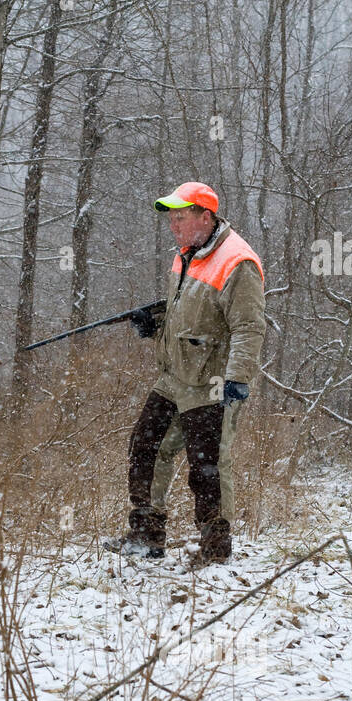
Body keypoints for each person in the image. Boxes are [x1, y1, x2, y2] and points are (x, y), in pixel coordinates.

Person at [102, 182, 266, 568]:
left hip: (211, 382)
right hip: (173, 376)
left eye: (181, 218)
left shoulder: (238, 262)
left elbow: (248, 327)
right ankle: (146, 535)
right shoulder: (185, 255)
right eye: (171, 219)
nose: (173, 226)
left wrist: (237, 377)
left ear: (205, 217)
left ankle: (214, 549)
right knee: (145, 446)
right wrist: (153, 324)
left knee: (206, 466)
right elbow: (186, 315)